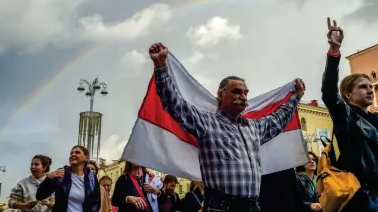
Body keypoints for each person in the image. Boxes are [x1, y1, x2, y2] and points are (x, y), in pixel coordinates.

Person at [149, 42, 305, 212]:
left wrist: (296, 97)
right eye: (237, 92)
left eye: (246, 93)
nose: (243, 97)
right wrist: (161, 66)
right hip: (222, 207)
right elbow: (174, 104)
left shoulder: (253, 128)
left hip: (252, 207)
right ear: (221, 94)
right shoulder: (207, 123)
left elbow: (278, 120)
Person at [321, 17, 378, 212]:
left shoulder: (375, 119)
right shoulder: (346, 116)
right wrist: (334, 52)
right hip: (359, 200)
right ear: (348, 94)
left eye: (371, 87)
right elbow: (329, 93)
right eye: (363, 87)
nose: (370, 90)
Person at [36, 145, 101, 212]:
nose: (73, 154)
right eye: (71, 153)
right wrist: (49, 179)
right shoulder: (61, 173)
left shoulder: (91, 176)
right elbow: (40, 195)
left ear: (86, 158)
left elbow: (96, 201)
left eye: (77, 152)